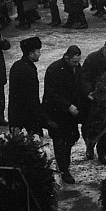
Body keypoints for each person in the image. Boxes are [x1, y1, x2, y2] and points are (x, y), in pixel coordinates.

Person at [43, 45, 82, 184]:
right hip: (56, 113)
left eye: (78, 62)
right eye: (74, 62)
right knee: (60, 141)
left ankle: (65, 165)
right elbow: (52, 93)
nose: (77, 65)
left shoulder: (76, 68)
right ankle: (64, 170)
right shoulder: (54, 70)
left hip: (70, 113)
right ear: (66, 57)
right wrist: (68, 106)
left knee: (70, 139)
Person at [80, 39, 106, 165]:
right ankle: (89, 146)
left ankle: (102, 153)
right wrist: (89, 92)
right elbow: (84, 78)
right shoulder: (92, 59)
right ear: (105, 48)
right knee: (90, 125)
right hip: (93, 99)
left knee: (105, 127)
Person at [8, 37, 53, 136]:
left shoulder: (16, 66)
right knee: (35, 142)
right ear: (31, 54)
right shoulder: (28, 70)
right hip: (29, 115)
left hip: (16, 113)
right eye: (38, 51)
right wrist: (42, 117)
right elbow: (32, 98)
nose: (39, 54)